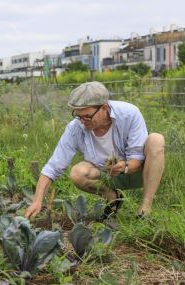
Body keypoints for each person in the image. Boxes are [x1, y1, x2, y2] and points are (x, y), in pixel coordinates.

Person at [25, 81, 165, 219]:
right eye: (78, 116)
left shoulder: (129, 114)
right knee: (77, 173)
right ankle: (113, 197)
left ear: (104, 107)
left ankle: (145, 208)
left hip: (138, 173)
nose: (82, 121)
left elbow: (137, 159)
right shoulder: (76, 128)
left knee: (156, 140)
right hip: (106, 176)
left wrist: (125, 166)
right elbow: (53, 167)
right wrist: (37, 201)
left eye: (87, 116)